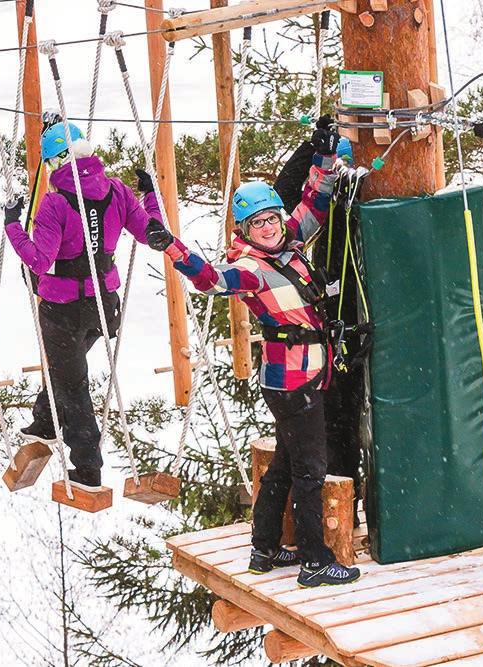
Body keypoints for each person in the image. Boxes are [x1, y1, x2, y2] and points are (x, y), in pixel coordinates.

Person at [145, 121, 361, 588]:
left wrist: (323, 156)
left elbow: (316, 200)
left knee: (286, 461)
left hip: (302, 375)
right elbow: (213, 280)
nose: (268, 228)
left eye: (271, 219)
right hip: (293, 380)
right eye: (257, 224)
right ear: (246, 230)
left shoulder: (289, 239)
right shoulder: (252, 267)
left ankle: (264, 549)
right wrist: (175, 249)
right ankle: (314, 560)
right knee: (310, 470)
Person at [3, 121, 161, 492]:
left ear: (57, 162)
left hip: (64, 309)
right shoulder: (117, 191)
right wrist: (150, 194)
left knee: (72, 383)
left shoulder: (56, 202)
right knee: (64, 366)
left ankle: (87, 467)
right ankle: (45, 419)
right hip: (104, 307)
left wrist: (12, 225)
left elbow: (39, 261)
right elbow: (150, 231)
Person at [274, 127, 366, 526]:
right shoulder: (325, 207)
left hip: (352, 320)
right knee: (327, 427)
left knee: (342, 425)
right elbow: (283, 197)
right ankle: (336, 518)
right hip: (328, 326)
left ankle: (345, 513)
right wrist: (315, 148)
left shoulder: (364, 191)